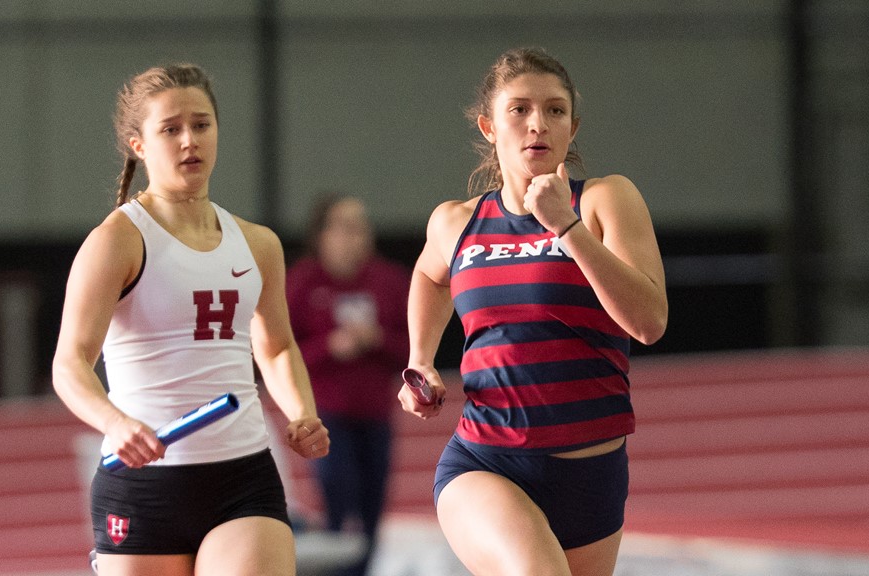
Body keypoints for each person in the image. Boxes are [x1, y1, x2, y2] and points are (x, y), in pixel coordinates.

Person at [397, 47, 668, 576]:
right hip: (485, 460)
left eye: (555, 111)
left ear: (573, 127)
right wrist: (421, 358)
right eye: (518, 110)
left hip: (591, 475)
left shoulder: (606, 201)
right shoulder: (457, 221)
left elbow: (649, 321)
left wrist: (566, 227)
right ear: (489, 127)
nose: (537, 124)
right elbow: (430, 277)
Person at [52, 63, 329, 576]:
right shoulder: (117, 241)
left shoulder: (258, 243)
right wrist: (114, 423)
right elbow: (70, 362)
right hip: (146, 486)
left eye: (201, 125)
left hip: (243, 477)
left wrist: (300, 412)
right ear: (139, 145)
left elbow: (276, 347)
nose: (189, 141)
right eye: (170, 129)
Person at [285, 193, 410, 576]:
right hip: (327, 417)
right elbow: (278, 352)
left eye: (362, 226)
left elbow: (414, 351)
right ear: (321, 235)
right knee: (337, 511)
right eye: (345, 226)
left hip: (376, 416)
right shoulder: (302, 283)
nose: (356, 235)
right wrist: (329, 347)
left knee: (372, 516)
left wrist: (377, 340)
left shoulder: (389, 281)